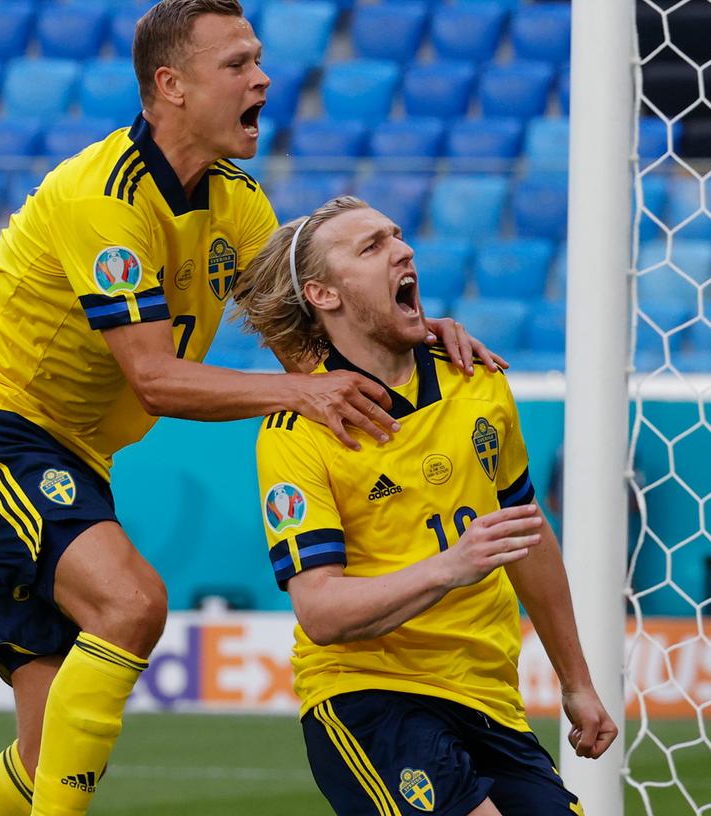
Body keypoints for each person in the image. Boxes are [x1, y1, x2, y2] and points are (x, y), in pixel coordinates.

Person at [0, 2, 503, 813]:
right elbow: (157, 379)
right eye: (238, 63)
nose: (263, 78)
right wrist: (303, 390)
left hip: (72, 457)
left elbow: (314, 351)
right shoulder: (101, 197)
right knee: (133, 603)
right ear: (170, 85)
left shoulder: (239, 204)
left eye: (260, 60)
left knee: (50, 752)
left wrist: (403, 332)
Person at [234, 195, 617, 815]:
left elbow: (527, 536)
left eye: (396, 236)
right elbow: (322, 613)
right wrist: (450, 566)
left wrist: (577, 681)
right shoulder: (299, 432)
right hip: (367, 696)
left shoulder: (479, 379)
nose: (403, 250)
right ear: (324, 294)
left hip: (487, 697)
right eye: (371, 247)